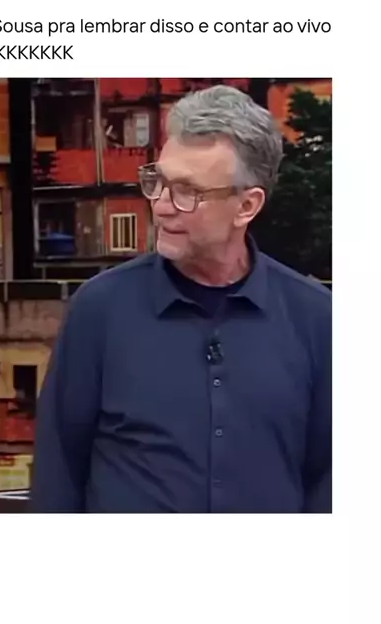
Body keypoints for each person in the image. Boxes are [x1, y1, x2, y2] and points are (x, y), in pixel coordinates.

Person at [31, 84, 332, 513]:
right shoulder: (99, 309)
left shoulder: (318, 318)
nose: (161, 205)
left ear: (246, 206)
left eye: (188, 191)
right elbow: (58, 473)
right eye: (158, 182)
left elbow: (330, 480)